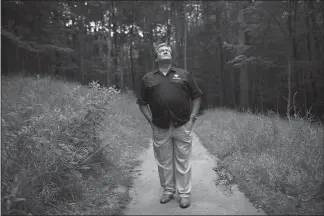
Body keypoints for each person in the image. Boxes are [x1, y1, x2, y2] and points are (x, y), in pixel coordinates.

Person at [136, 42, 203, 208]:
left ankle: (184, 194)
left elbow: (197, 96)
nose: (165, 51)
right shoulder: (148, 78)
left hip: (182, 124)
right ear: (156, 58)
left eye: (168, 50)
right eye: (161, 50)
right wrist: (150, 121)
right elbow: (142, 102)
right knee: (164, 161)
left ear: (171, 57)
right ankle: (168, 191)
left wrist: (193, 117)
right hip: (160, 126)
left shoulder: (184, 75)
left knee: (183, 160)